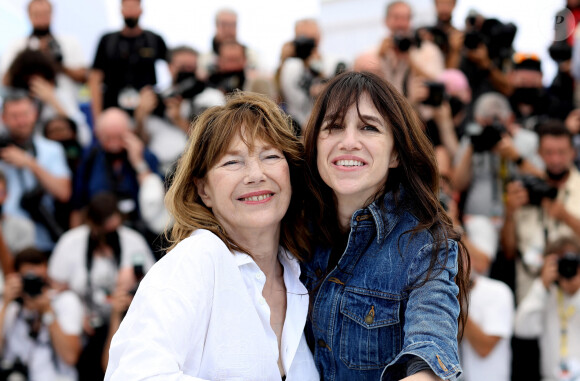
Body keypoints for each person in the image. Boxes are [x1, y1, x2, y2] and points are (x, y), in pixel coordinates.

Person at [104, 92, 318, 380]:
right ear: (204, 190)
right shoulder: (197, 259)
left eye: (270, 156)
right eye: (232, 162)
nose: (256, 174)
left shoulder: (301, 271)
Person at [301, 71, 469, 380]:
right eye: (334, 127)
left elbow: (431, 347)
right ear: (315, 144)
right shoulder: (293, 229)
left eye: (369, 127)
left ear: (395, 153)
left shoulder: (426, 244)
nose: (349, 142)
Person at [49, 191, 155, 381]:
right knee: (66, 302)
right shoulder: (71, 242)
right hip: (86, 324)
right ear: (92, 224)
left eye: (114, 229)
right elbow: (55, 287)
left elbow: (154, 283)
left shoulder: (133, 241)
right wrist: (79, 314)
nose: (110, 236)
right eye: (105, 231)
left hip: (124, 319)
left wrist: (133, 287)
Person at [502, 120, 580, 303]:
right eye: (549, 152)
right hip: (531, 295)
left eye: (561, 152)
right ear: (539, 153)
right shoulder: (524, 190)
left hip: (574, 297)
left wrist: (566, 217)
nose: (555, 160)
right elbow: (509, 251)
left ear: (573, 153)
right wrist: (510, 213)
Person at [0, 93, 71, 251]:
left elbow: (63, 192)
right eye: (14, 116)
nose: (21, 121)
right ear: (3, 118)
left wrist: (30, 163)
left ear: (34, 115)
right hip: (6, 241)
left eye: (25, 114)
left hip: (43, 238)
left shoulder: (52, 149)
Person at [0, 248, 83, 381]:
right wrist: (5, 304)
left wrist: (47, 311)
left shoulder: (64, 301)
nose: (33, 284)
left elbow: (70, 357)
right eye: (28, 279)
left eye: (38, 279)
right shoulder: (10, 307)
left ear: (47, 274)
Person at [88, 0, 167, 119]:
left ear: (141, 9)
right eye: (127, 7)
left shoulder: (154, 39)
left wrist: (165, 95)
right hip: (114, 108)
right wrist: (97, 117)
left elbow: (172, 65)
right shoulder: (108, 40)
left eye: (134, 6)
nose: (131, 11)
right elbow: (95, 78)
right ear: (121, 10)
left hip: (148, 110)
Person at [514, 236, 580, 381]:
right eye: (561, 262)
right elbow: (522, 328)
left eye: (572, 261)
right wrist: (541, 286)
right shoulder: (544, 294)